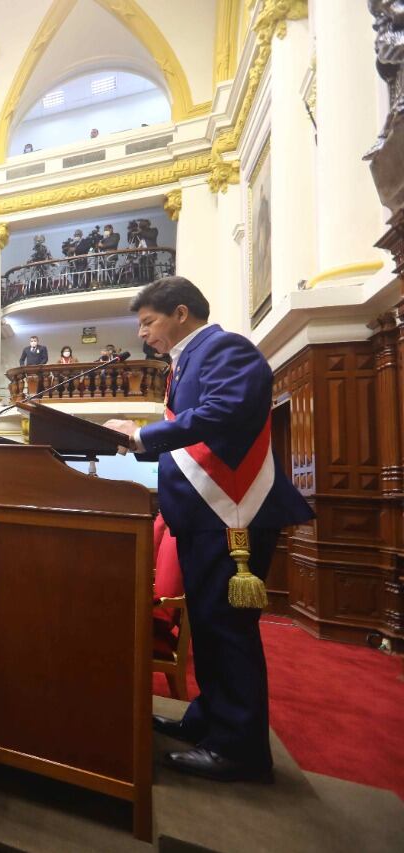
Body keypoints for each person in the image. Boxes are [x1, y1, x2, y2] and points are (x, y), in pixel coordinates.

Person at [103, 276, 314, 783]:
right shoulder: (188, 362)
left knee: (228, 632)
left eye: (148, 323)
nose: (143, 334)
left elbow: (222, 413)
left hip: (232, 515)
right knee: (212, 632)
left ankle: (239, 748)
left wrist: (143, 436)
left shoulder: (226, 349)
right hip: (204, 518)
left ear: (180, 313)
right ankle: (210, 720)